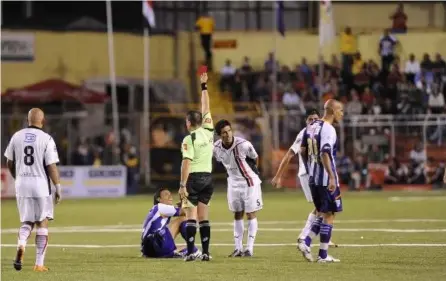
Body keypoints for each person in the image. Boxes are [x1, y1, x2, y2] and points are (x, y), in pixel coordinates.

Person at [4, 108, 62, 272]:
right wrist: (58, 187)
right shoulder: (47, 139)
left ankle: (21, 244)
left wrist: (17, 176)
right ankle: (39, 264)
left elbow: (9, 161)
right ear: (43, 121)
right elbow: (51, 166)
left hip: (22, 183)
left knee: (27, 221)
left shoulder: (17, 136)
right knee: (42, 222)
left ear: (27, 120)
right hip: (40, 185)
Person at [271, 109, 337, 248]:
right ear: (306, 121)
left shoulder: (321, 131)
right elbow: (289, 154)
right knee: (322, 208)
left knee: (321, 207)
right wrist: (278, 176)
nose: (313, 121)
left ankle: (313, 237)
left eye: (315, 118)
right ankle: (305, 237)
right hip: (309, 174)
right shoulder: (304, 133)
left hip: (317, 174)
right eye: (310, 119)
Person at [298, 99, 344, 263]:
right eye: (340, 110)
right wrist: (331, 176)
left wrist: (310, 167)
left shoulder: (311, 126)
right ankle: (322, 255)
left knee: (322, 213)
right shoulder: (329, 129)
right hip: (325, 179)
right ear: (332, 110)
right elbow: (325, 153)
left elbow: (302, 150)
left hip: (313, 179)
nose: (342, 114)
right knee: (329, 215)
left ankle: (306, 241)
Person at [213, 119, 263, 257]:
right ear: (219, 135)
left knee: (250, 213)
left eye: (229, 131)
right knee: (237, 214)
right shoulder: (216, 148)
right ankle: (238, 248)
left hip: (249, 182)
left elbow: (255, 157)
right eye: (224, 133)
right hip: (233, 184)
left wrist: (253, 171)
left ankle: (249, 249)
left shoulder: (243, 144)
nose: (228, 134)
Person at [179, 72, 214, 262]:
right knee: (204, 217)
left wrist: (182, 184)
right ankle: (206, 252)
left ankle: (192, 251)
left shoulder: (188, 138)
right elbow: (206, 106)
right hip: (208, 178)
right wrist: (204, 87)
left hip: (193, 178)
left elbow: (186, 162)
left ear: (189, 123)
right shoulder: (209, 131)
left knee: (191, 216)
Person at [141, 188, 201, 259]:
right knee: (183, 219)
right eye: (166, 194)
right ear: (159, 199)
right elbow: (187, 213)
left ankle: (180, 252)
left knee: (168, 229)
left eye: (170, 194)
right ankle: (193, 250)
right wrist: (185, 201)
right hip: (157, 243)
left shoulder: (156, 210)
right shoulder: (160, 207)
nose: (170, 197)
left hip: (148, 250)